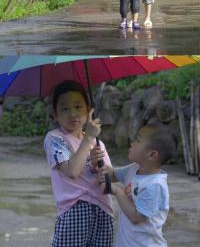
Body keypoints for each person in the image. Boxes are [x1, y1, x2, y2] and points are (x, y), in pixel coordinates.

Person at [43, 80, 114, 247]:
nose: (72, 113)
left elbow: (110, 177)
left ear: (89, 110)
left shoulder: (98, 143)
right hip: (74, 210)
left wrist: (99, 166)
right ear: (55, 114)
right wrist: (88, 138)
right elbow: (72, 171)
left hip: (103, 210)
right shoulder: (55, 139)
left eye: (78, 106)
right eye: (64, 108)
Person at [91, 123, 176, 247]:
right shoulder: (134, 169)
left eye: (138, 140)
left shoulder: (154, 185)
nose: (132, 142)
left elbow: (136, 218)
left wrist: (117, 191)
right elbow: (111, 175)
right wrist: (96, 161)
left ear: (152, 155)